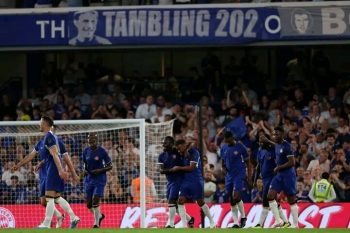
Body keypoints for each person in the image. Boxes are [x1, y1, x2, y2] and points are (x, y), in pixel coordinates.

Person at [12, 124, 80, 228]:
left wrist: (72, 173)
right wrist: (21, 164)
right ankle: (66, 216)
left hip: (53, 173)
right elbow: (33, 156)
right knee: (47, 200)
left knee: (50, 198)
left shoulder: (58, 142)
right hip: (44, 175)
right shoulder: (40, 143)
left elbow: (63, 158)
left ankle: (47, 223)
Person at [36, 116, 80, 228]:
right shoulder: (53, 139)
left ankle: (46, 224)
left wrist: (64, 171)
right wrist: (42, 163)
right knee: (55, 198)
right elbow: (53, 156)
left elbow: (61, 156)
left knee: (49, 198)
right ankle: (73, 216)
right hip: (52, 169)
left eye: (41, 122)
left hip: (54, 170)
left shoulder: (51, 138)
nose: (39, 124)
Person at [168, 139, 216, 228]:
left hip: (196, 181)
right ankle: (183, 225)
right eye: (178, 149)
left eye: (179, 148)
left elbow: (191, 168)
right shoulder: (181, 155)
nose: (179, 150)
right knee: (180, 201)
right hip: (186, 182)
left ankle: (212, 222)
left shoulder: (194, 152)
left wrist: (178, 168)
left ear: (183, 145)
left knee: (200, 202)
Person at [253, 134, 290, 228]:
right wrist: (255, 179)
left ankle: (278, 221)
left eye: (262, 142)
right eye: (259, 142)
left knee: (269, 198)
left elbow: (279, 147)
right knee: (267, 202)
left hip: (273, 177)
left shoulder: (273, 149)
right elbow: (258, 166)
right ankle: (285, 222)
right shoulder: (260, 150)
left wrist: (268, 141)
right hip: (265, 179)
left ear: (266, 141)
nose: (260, 143)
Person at [157, 136, 194, 228]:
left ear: (171, 144)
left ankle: (171, 224)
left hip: (179, 180)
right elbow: (161, 170)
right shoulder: (161, 156)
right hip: (169, 181)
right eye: (164, 142)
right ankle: (190, 219)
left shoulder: (177, 153)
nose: (165, 144)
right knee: (174, 206)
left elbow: (186, 157)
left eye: (167, 142)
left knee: (171, 201)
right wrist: (172, 170)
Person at [267, 126, 298, 228]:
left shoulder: (287, 146)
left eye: (277, 134)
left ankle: (295, 224)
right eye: (274, 134)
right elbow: (274, 144)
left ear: (283, 134)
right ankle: (278, 221)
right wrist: (266, 140)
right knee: (270, 196)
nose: (275, 136)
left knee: (291, 199)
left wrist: (278, 167)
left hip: (288, 175)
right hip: (279, 175)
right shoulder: (277, 145)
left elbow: (292, 162)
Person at [220, 131, 250, 228]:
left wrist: (249, 176)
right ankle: (236, 222)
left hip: (239, 174)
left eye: (227, 139)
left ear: (232, 137)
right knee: (231, 198)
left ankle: (244, 217)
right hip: (229, 175)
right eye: (225, 140)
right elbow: (223, 162)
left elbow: (248, 162)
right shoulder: (224, 148)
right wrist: (223, 170)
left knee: (236, 196)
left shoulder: (241, 147)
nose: (226, 141)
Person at [82, 132, 112, 228]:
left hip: (100, 179)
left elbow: (110, 166)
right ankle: (99, 216)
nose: (91, 141)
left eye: (93, 140)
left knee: (95, 201)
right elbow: (85, 165)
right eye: (89, 139)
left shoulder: (102, 151)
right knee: (88, 204)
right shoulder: (85, 151)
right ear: (87, 140)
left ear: (96, 140)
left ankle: (96, 224)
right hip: (89, 180)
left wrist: (100, 170)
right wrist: (84, 173)